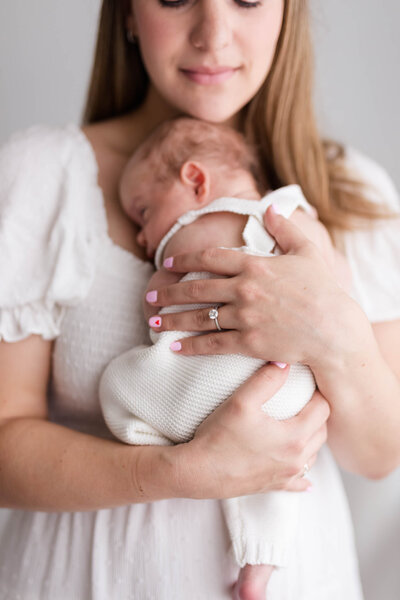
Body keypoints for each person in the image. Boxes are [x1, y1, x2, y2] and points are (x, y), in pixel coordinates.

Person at [0, 1, 399, 599]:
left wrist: (331, 325)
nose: (214, 36)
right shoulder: (43, 172)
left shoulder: (348, 194)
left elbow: (379, 455)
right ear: (129, 14)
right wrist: (178, 473)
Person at [99, 116, 335, 599]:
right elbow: (334, 288)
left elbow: (157, 306)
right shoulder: (292, 213)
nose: (143, 237)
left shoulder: (192, 228)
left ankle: (146, 435)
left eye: (143, 213)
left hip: (216, 382)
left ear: (195, 181)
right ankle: (262, 565)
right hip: (290, 385)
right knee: (280, 468)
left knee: (118, 384)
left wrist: (158, 285)